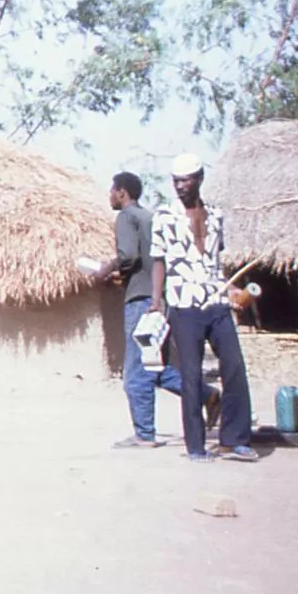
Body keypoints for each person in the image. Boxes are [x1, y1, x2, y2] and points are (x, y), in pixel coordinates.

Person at [95, 171, 217, 448]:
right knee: (156, 368)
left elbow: (128, 256)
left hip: (141, 301)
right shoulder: (150, 218)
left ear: (122, 192)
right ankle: (207, 395)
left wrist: (107, 269)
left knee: (136, 370)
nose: (110, 195)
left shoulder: (126, 217)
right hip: (161, 299)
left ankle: (144, 434)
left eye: (112, 190)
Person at [150, 153, 257, 462]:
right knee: (191, 375)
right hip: (184, 303)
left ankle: (233, 440)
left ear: (199, 179)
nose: (180, 186)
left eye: (185, 180)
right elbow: (158, 260)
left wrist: (232, 287)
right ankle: (196, 446)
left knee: (234, 367)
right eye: (175, 181)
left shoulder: (217, 216)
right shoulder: (164, 216)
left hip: (216, 299)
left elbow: (213, 262)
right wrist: (157, 302)